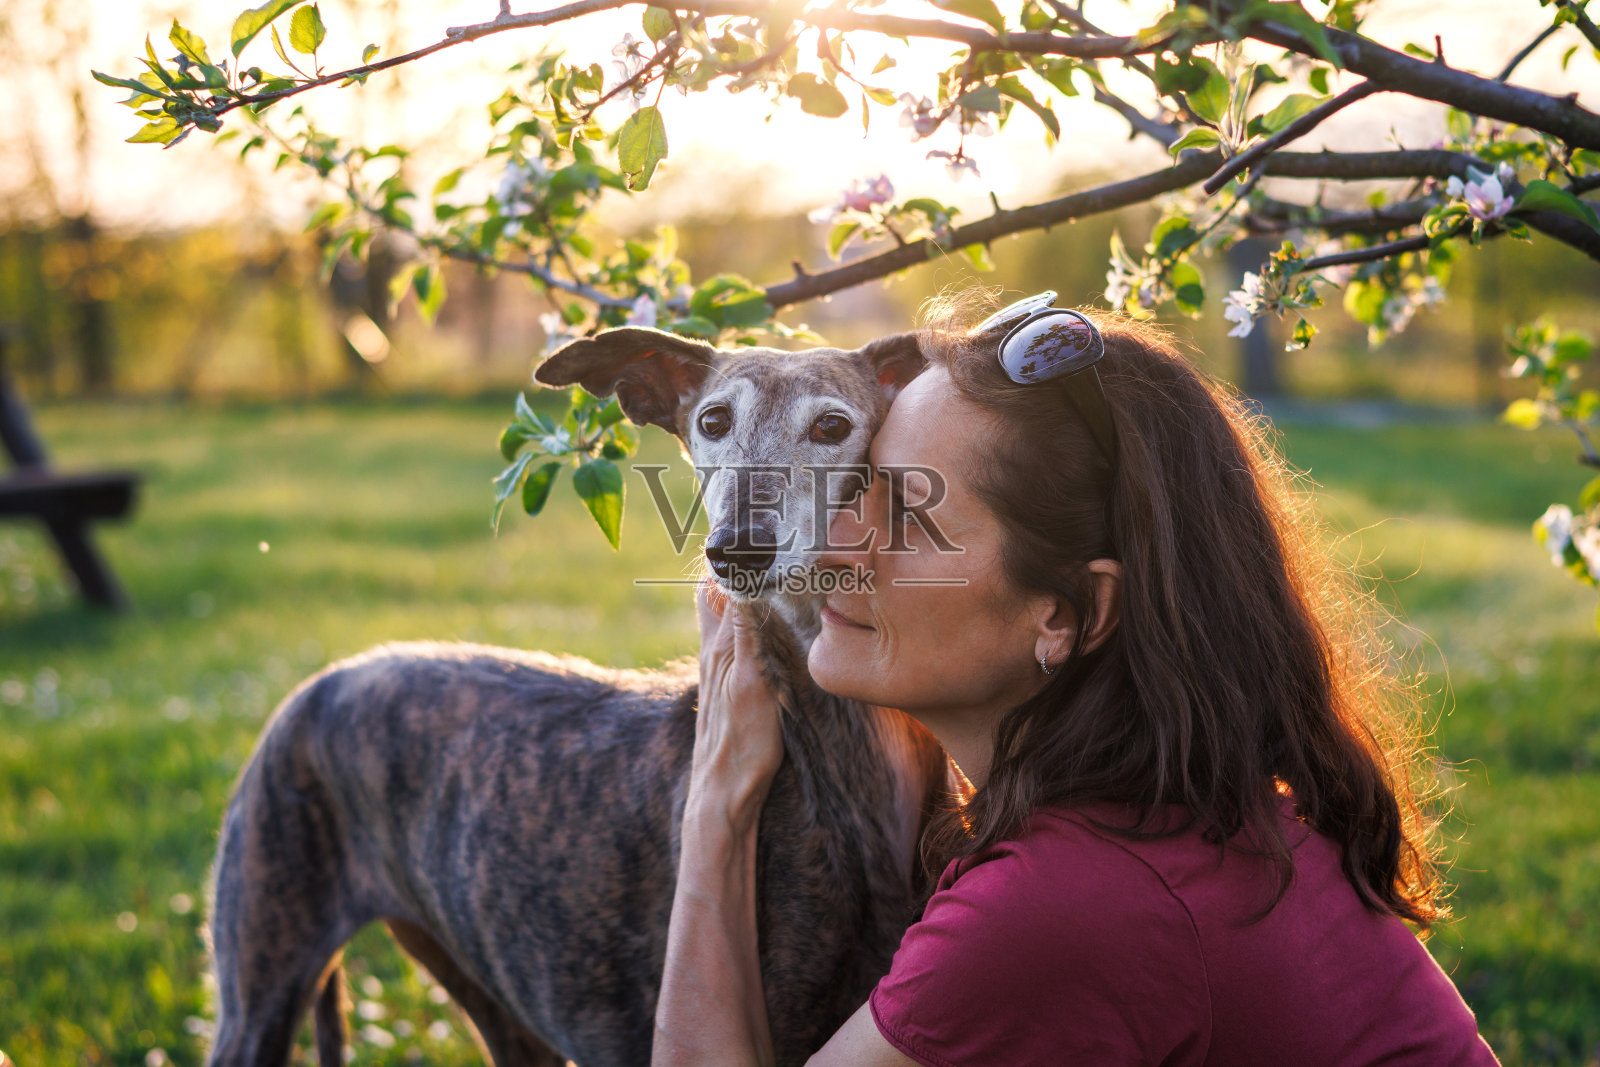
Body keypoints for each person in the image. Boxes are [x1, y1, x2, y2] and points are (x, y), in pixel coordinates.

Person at [651, 295, 1500, 1066]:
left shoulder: (1054, 910)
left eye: (908, 518)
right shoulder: (1197, 805)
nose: (831, 549)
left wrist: (717, 803)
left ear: (1069, 614)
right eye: (855, 490)